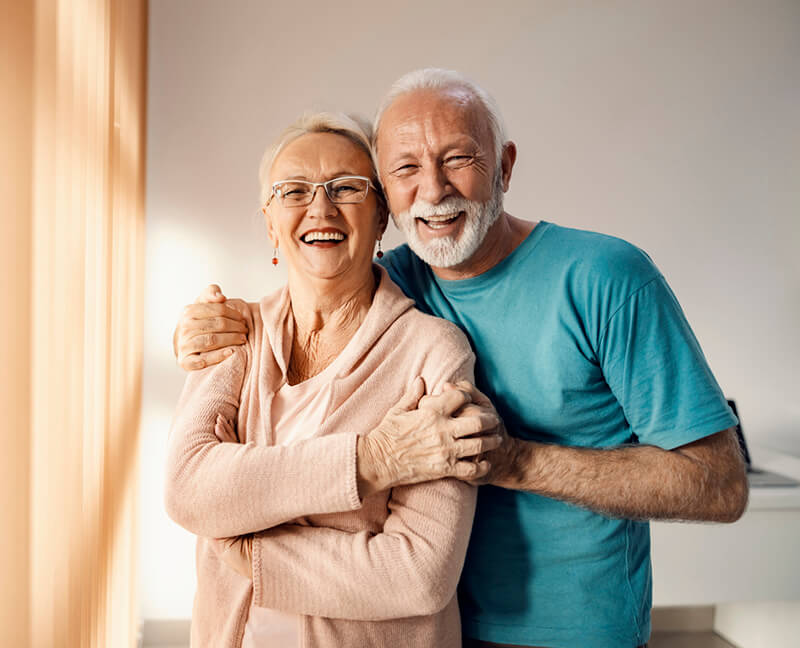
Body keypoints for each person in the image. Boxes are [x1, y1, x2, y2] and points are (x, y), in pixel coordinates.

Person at [174, 69, 749, 648]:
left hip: (570, 630)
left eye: (458, 159)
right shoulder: (395, 279)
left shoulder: (605, 278)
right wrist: (205, 329)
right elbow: (317, 278)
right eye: (405, 169)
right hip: (430, 629)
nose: (432, 190)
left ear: (503, 166)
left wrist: (512, 461)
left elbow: (719, 485)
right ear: (388, 200)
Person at [165, 111, 504, 648]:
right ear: (270, 220)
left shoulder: (433, 351)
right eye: (293, 190)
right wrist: (374, 460)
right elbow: (189, 491)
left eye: (345, 187)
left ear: (381, 216)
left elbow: (418, 575)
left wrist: (250, 554)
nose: (319, 207)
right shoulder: (233, 332)